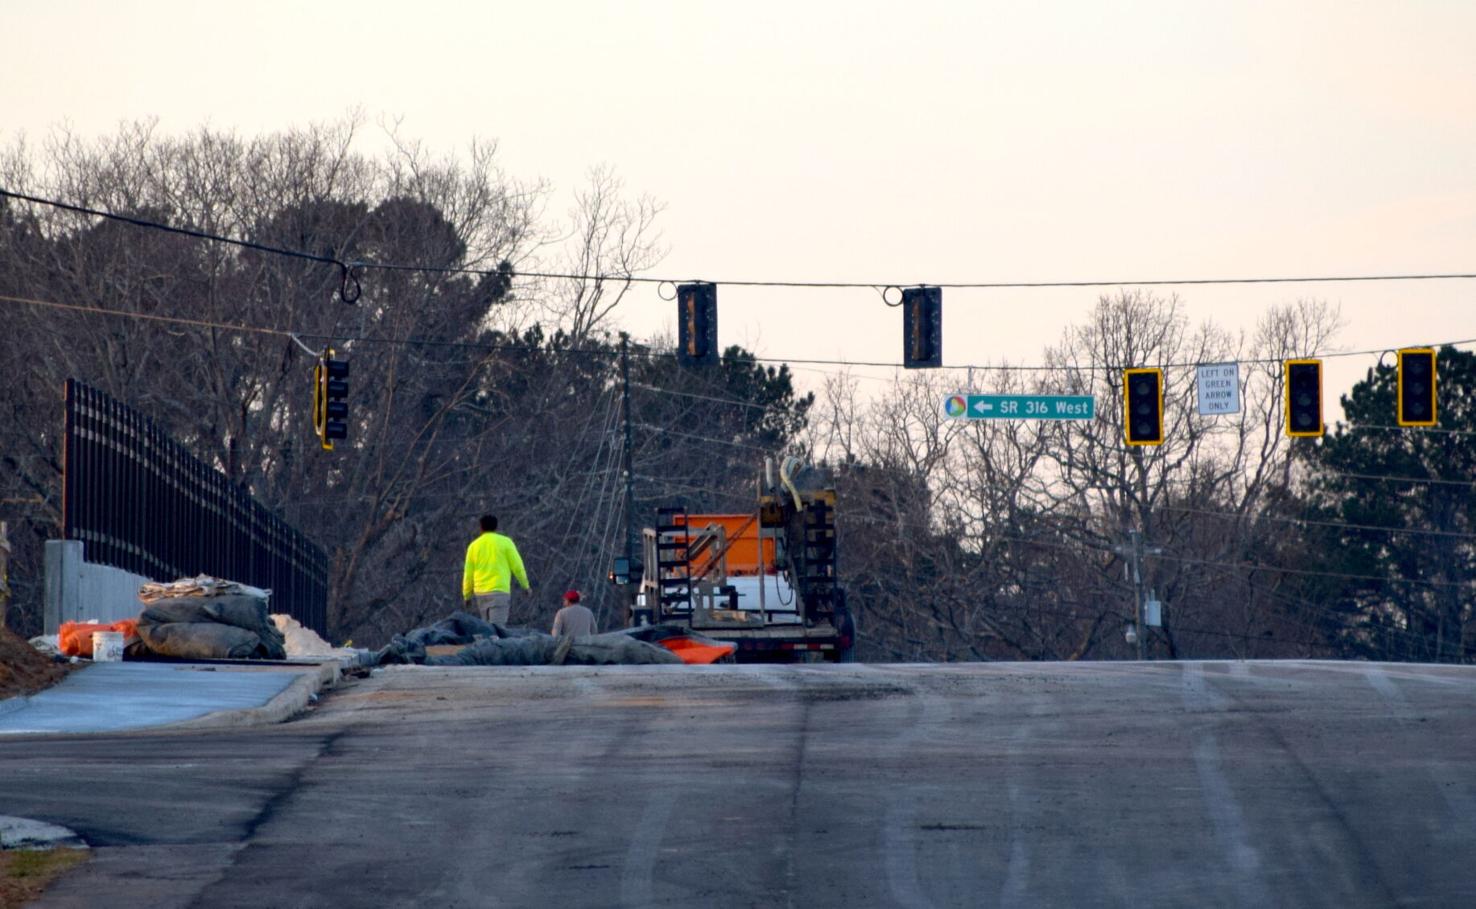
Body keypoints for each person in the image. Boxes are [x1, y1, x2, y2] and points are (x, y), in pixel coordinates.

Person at [462, 515, 530, 626]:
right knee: (498, 629)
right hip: (499, 590)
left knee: (486, 628)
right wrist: (525, 585)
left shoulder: (473, 546)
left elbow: (468, 574)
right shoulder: (505, 542)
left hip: (480, 592)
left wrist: (467, 595)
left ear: (481, 528)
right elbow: (517, 567)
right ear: (496, 527)